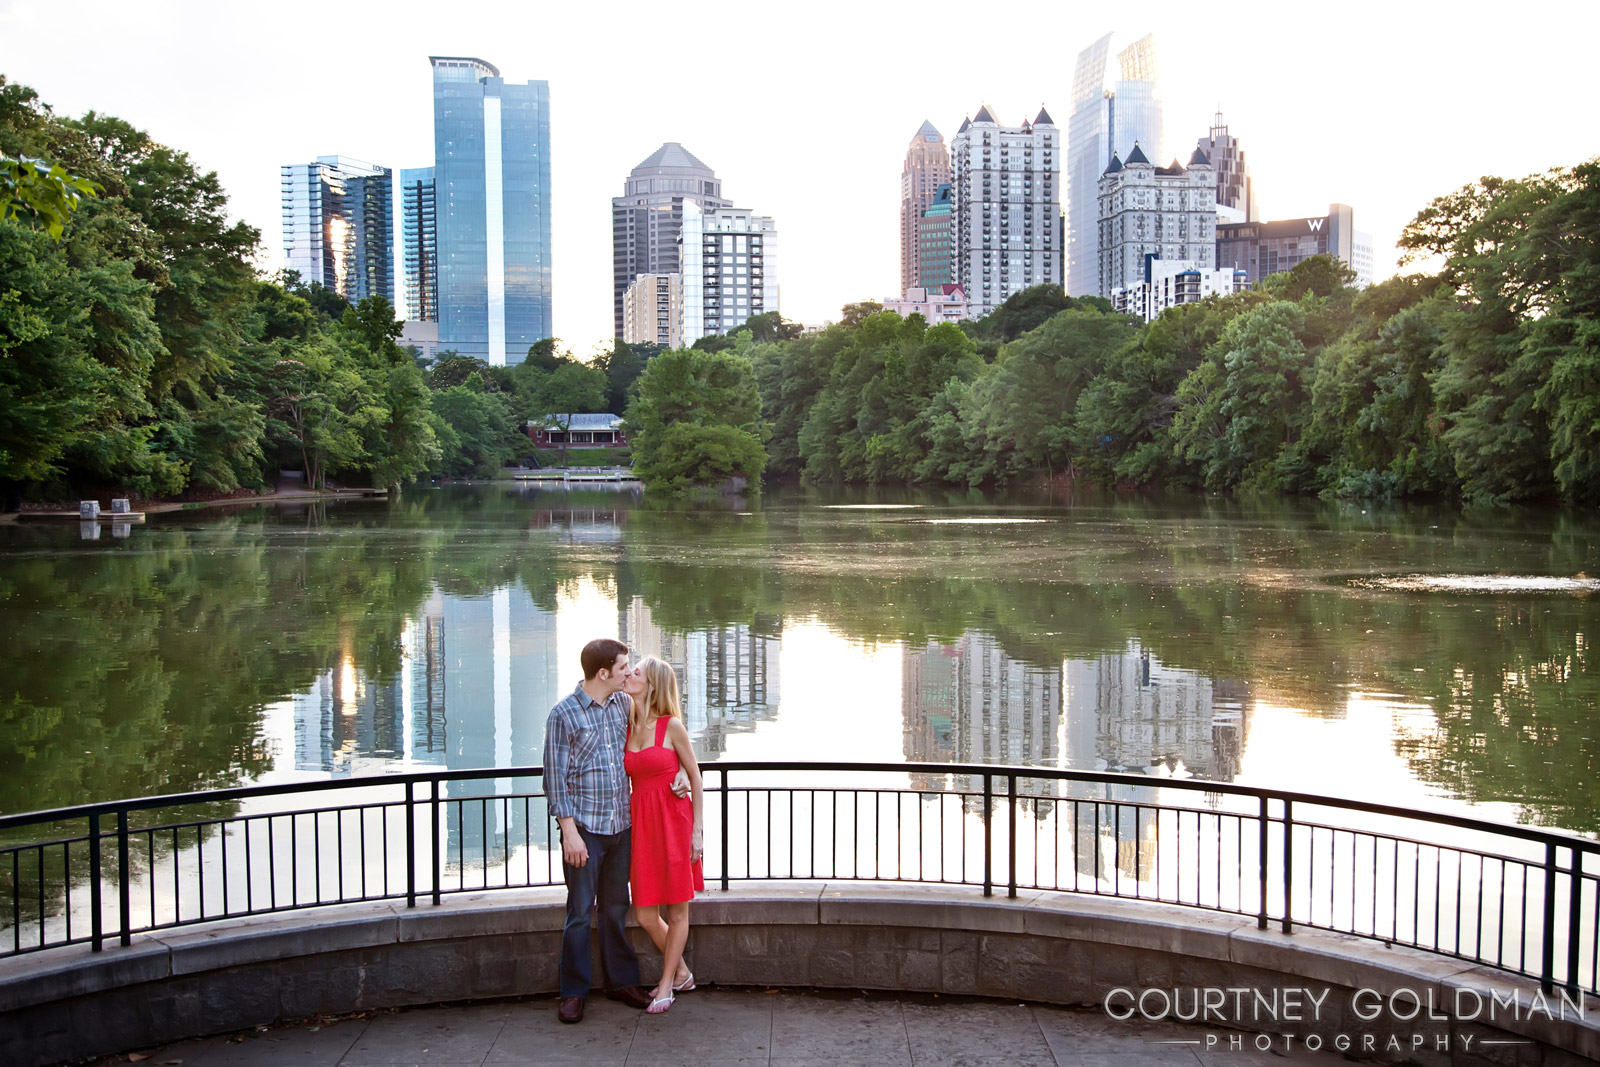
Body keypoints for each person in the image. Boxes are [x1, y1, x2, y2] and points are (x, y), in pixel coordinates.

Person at [543, 638, 656, 1024]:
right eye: (624, 667)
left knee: (614, 909)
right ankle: (573, 992)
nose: (629, 672)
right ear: (603, 673)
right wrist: (568, 832)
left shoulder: (623, 705)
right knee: (579, 912)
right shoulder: (564, 715)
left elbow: (652, 740)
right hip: (585, 830)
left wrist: (677, 778)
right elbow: (555, 781)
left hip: (620, 827)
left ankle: (621, 982)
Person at [622, 656, 705, 1014]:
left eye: (635, 672)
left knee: (676, 911)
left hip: (674, 824)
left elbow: (696, 776)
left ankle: (667, 984)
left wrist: (697, 831)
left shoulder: (671, 726)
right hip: (641, 823)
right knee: (643, 914)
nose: (629, 674)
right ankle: (683, 972)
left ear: (652, 683)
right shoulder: (625, 720)